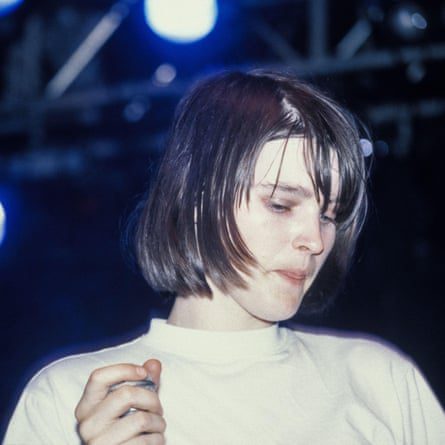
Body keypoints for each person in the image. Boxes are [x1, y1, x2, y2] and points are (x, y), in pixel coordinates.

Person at [4, 71, 445, 445]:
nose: (314, 239)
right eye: (280, 205)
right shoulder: (68, 397)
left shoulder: (379, 380)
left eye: (328, 216)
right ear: (198, 200)